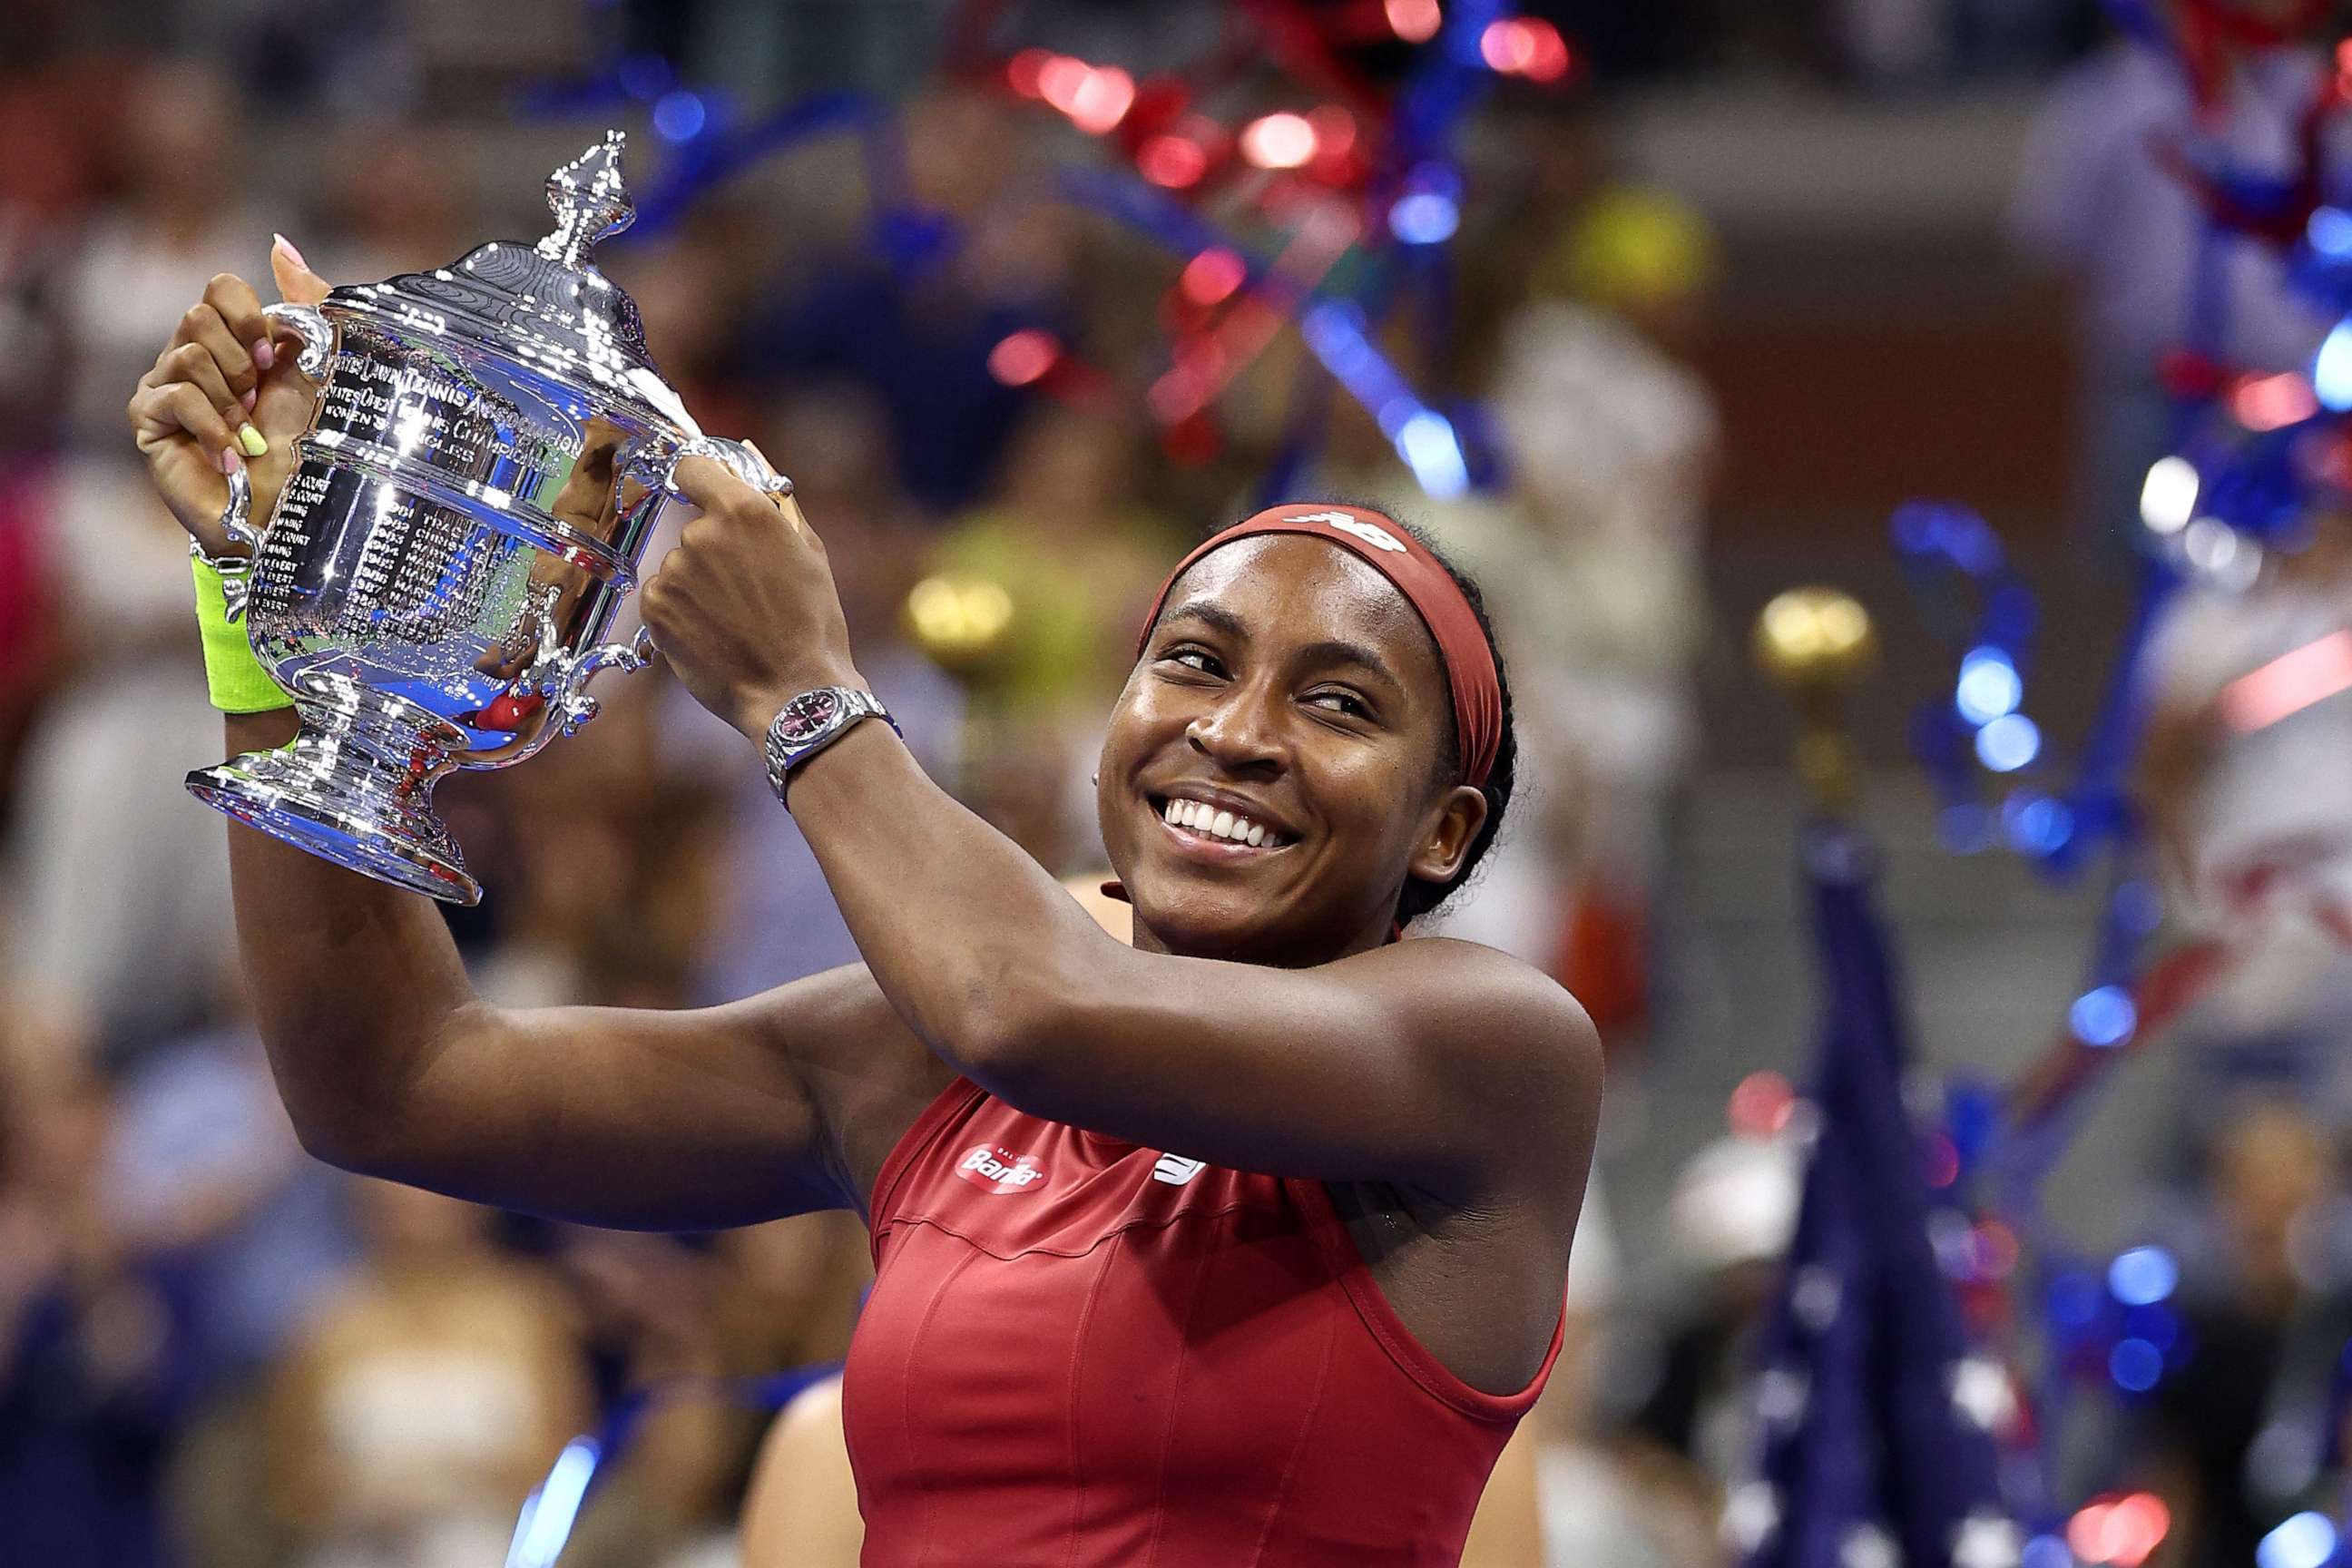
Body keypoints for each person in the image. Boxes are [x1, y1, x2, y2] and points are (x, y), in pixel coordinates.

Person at [126, 247, 1602, 1565]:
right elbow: (397, 1085)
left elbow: (1029, 1007)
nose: (1239, 731)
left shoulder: (1493, 1051)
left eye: (1337, 701)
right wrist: (276, 620)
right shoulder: (932, 1054)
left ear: (1445, 832)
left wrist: (801, 690)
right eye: (1197, 664)